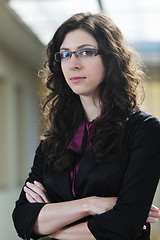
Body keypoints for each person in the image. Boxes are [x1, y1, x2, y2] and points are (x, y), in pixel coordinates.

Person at [12, 12, 160, 240]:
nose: (73, 64)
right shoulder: (55, 137)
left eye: (86, 52)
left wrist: (53, 226)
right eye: (65, 54)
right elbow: (22, 218)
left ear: (111, 59)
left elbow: (125, 224)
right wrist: (89, 205)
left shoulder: (144, 130)